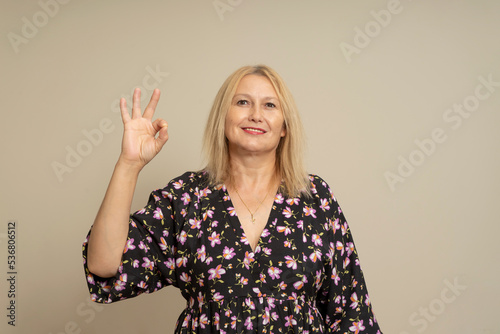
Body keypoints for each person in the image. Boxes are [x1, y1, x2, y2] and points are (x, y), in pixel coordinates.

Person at [83, 65, 382, 333]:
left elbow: (351, 315)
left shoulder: (315, 199)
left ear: (284, 127)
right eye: (242, 102)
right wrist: (129, 164)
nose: (255, 114)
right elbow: (104, 265)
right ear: (222, 118)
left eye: (270, 105)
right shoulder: (188, 197)